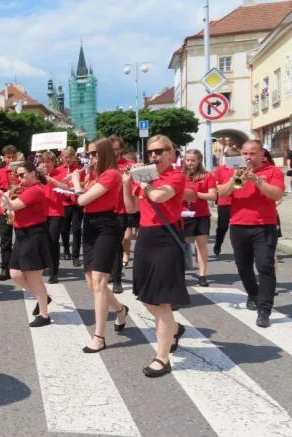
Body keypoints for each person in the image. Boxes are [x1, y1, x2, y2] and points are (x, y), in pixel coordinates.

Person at [123, 135, 188, 377]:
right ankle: (174, 327)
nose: (154, 156)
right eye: (151, 152)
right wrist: (126, 182)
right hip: (146, 237)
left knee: (162, 301)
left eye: (161, 151)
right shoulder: (145, 178)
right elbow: (131, 208)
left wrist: (145, 183)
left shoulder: (176, 176)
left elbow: (160, 197)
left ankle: (162, 358)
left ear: (172, 154)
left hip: (166, 238)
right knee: (145, 296)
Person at [217, 140, 284, 328]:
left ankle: (264, 309)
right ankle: (253, 294)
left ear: (262, 154)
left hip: (264, 226)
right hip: (238, 225)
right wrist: (233, 179)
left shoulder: (273, 171)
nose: (248, 157)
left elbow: (276, 194)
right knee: (243, 266)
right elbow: (221, 194)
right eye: (245, 153)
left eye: (252, 153)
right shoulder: (234, 171)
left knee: (265, 266)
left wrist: (257, 179)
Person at [72, 138, 128, 353]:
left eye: (94, 154)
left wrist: (77, 183)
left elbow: (83, 200)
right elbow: (80, 197)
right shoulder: (94, 175)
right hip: (90, 225)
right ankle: (121, 309)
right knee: (92, 283)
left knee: (99, 281)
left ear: (104, 153)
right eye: (89, 154)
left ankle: (99, 336)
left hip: (107, 226)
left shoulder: (112, 174)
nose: (90, 158)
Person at [1, 161, 53, 328]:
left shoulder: (35, 190)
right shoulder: (25, 190)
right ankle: (43, 298)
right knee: (15, 273)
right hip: (22, 235)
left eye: (23, 174)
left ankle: (44, 315)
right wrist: (10, 192)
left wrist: (6, 194)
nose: (20, 178)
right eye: (18, 175)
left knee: (34, 278)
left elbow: (11, 206)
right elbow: (4, 206)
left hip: (34, 235)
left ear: (33, 173)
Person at [182, 149, 216, 287]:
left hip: (201, 214)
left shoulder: (207, 176)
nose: (190, 163)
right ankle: (180, 272)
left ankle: (202, 274)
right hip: (183, 214)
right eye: (188, 160)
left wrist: (194, 194)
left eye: (193, 160)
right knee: (182, 244)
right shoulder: (179, 175)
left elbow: (213, 196)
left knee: (201, 244)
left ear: (199, 161)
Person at [109, 136, 135, 294]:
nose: (113, 152)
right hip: (104, 210)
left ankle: (117, 279)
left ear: (121, 150)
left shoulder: (129, 166)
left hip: (121, 210)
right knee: (108, 245)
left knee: (118, 244)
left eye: (116, 149)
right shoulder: (101, 165)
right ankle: (111, 272)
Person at [0, 145, 19, 281]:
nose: (11, 159)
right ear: (4, 158)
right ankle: (5, 268)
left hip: (19, 210)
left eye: (13, 156)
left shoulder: (22, 172)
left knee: (21, 240)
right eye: (8, 157)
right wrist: (0, 202)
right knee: (5, 241)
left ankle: (20, 267)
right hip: (4, 212)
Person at [40, 151, 67, 284]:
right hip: (41, 213)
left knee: (53, 241)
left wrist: (52, 180)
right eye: (43, 162)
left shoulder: (59, 173)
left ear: (53, 162)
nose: (45, 165)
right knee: (43, 241)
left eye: (48, 162)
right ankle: (44, 265)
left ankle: (53, 271)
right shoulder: (39, 175)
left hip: (56, 212)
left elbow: (66, 187)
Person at [213, 146, 241, 255]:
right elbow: (216, 185)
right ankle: (218, 243)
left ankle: (239, 249)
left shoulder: (242, 168)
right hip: (224, 202)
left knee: (237, 227)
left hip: (238, 201)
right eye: (230, 157)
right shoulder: (221, 169)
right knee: (222, 226)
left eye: (235, 157)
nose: (233, 159)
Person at [59, 146, 83, 266]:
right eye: (65, 157)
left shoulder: (79, 169)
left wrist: (75, 180)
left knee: (77, 230)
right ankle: (66, 249)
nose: (67, 159)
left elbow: (84, 184)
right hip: (63, 203)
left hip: (76, 203)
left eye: (70, 157)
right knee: (64, 230)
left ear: (74, 157)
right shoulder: (59, 170)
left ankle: (75, 256)